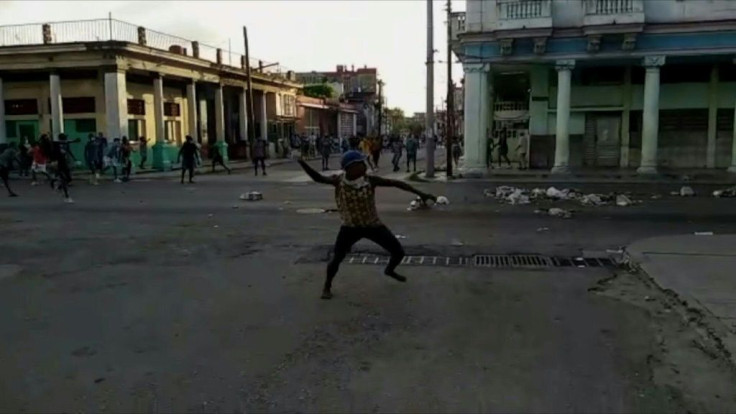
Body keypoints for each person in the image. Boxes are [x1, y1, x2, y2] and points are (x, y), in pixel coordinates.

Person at [297, 150, 436, 300]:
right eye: (361, 164)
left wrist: (421, 193)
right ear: (350, 168)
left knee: (399, 252)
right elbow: (317, 178)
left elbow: (397, 184)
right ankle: (327, 286)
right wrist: (301, 162)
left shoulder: (370, 180)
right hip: (349, 228)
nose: (365, 166)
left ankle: (389, 270)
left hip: (373, 225)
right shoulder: (338, 181)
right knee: (337, 259)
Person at [49, 134, 73, 203]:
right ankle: (67, 196)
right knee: (63, 179)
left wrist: (74, 158)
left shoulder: (66, 144)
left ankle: (58, 186)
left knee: (69, 179)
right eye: (64, 138)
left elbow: (68, 151)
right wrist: (52, 162)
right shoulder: (55, 144)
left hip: (64, 163)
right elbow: (52, 153)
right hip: (57, 163)